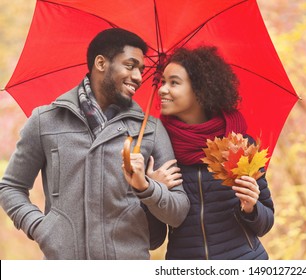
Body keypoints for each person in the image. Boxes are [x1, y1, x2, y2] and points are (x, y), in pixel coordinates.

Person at [0, 28, 189, 260]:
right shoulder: (45, 121)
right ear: (101, 63)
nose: (139, 77)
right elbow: (11, 187)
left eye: (141, 69)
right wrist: (40, 227)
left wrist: (147, 188)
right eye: (130, 66)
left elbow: (179, 212)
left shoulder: (150, 130)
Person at [150, 46, 274, 259]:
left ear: (200, 90)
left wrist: (251, 207)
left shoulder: (239, 145)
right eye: (162, 82)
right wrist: (153, 191)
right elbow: (153, 239)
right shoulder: (159, 148)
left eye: (174, 82)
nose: (162, 89)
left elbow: (265, 223)